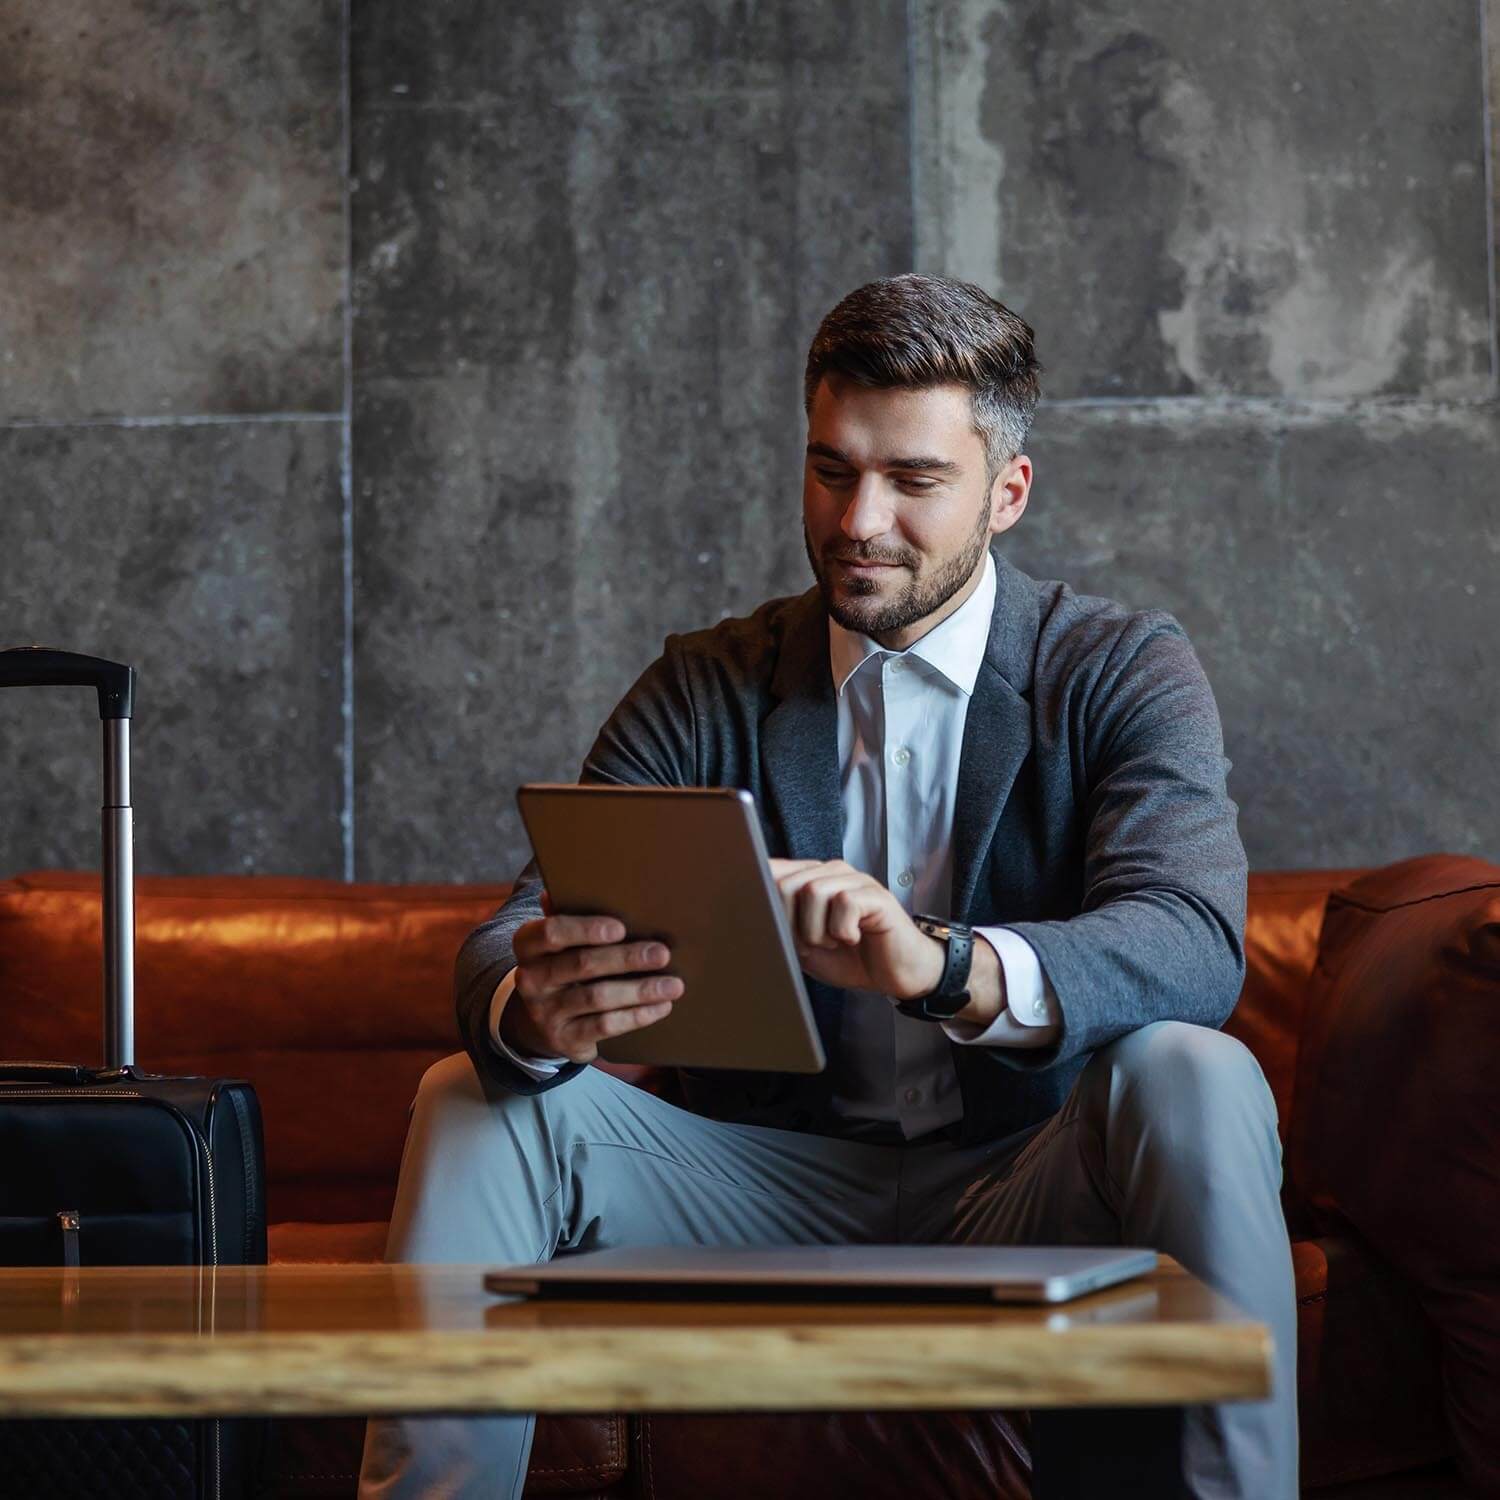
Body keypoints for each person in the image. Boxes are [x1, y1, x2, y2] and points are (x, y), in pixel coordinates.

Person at [358, 274, 1297, 1499]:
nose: (860, 520)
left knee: (1196, 1068)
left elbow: (1188, 941)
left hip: (1024, 1179)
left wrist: (943, 965)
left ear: (1005, 494)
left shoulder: (1120, 667)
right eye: (831, 470)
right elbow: (506, 939)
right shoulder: (708, 684)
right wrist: (537, 1010)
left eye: (913, 482)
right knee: (471, 1096)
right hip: (759, 1180)